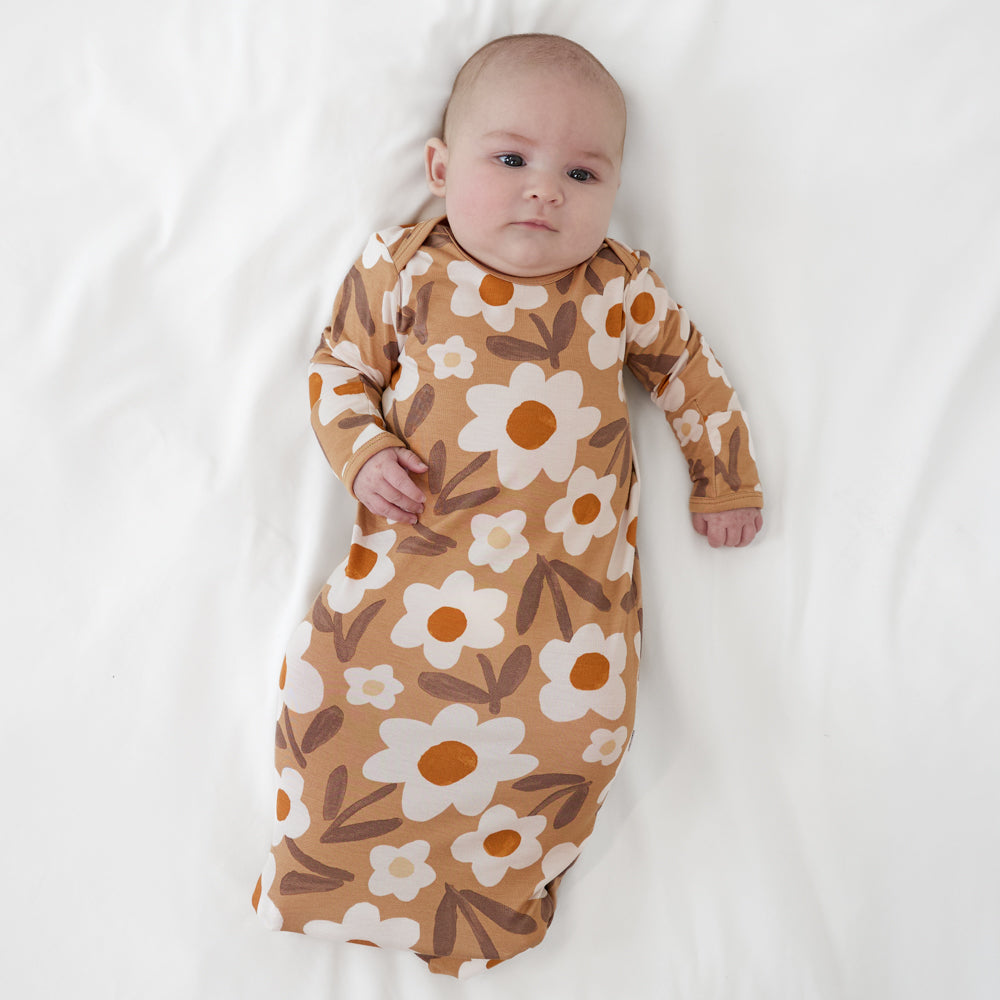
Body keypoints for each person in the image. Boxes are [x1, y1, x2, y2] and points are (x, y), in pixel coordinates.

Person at [252, 33, 764, 979]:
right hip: (413, 580)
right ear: (442, 169)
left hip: (562, 607)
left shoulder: (616, 286)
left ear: (613, 190)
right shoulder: (406, 266)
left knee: (572, 734)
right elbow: (338, 371)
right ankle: (322, 866)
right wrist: (361, 453)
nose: (545, 190)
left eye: (581, 170)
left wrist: (723, 473)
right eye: (511, 158)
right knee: (337, 688)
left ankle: (493, 904)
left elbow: (691, 373)